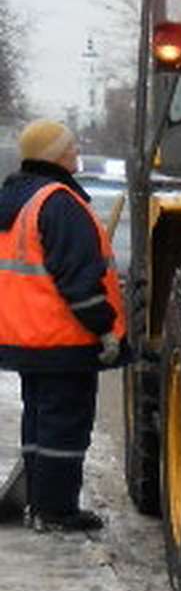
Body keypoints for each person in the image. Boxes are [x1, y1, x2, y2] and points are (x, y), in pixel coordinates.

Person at [0, 119, 127, 533]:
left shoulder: (17, 198)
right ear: (54, 155)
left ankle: (39, 500)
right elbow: (79, 278)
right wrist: (104, 328)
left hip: (27, 336)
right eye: (70, 147)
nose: (76, 152)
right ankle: (56, 511)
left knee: (40, 421)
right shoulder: (59, 202)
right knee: (64, 425)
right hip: (63, 338)